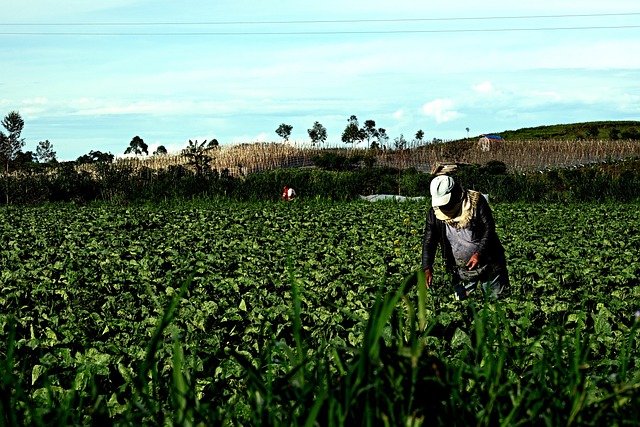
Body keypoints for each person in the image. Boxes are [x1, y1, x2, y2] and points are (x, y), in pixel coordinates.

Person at [422, 175, 510, 300]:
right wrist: (427, 267)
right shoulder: (435, 213)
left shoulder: (475, 203)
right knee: (462, 308)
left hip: (489, 264)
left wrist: (479, 253)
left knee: (498, 304)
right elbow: (429, 241)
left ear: (455, 194)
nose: (443, 207)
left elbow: (489, 229)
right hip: (460, 270)